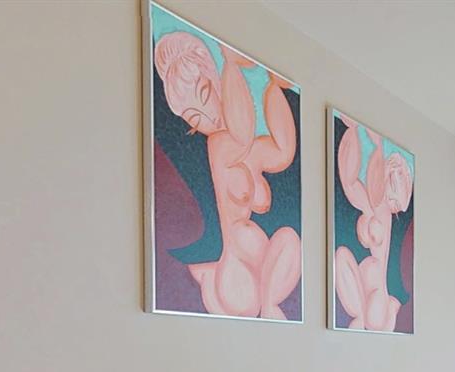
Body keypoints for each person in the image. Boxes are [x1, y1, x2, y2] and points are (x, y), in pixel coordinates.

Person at [154, 32, 300, 318]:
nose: (208, 118)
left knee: (290, 240)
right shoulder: (219, 145)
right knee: (251, 308)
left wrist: (273, 88)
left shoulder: (248, 153)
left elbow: (283, 151)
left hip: (263, 268)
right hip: (236, 274)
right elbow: (242, 129)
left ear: (216, 83)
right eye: (195, 121)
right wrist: (230, 64)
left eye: (206, 96)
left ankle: (269, 306)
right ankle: (267, 307)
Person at [334, 114, 414, 331]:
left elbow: (367, 179)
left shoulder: (381, 208)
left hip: (376, 294)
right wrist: (354, 133)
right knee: (341, 255)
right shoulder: (374, 206)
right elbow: (351, 183)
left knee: (341, 255)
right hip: (374, 295)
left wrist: (370, 141)